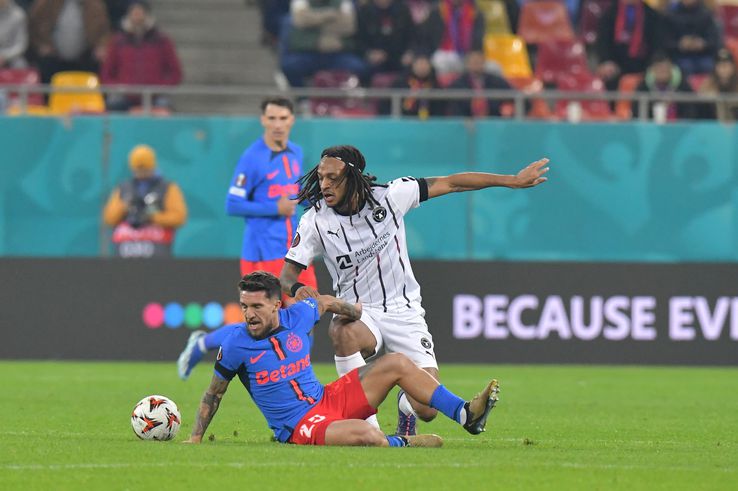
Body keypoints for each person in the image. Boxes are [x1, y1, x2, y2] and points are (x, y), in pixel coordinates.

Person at [280, 145, 548, 436]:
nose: (324, 185)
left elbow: (453, 182)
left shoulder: (393, 196)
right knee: (341, 330)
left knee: (427, 410)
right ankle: (364, 425)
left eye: (333, 178)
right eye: (321, 177)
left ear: (354, 177)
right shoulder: (315, 221)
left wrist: (512, 180)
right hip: (359, 312)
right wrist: (298, 288)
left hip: (404, 311)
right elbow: (287, 276)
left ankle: (406, 404)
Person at [183, 271, 500, 447]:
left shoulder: (299, 315)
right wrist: (196, 438)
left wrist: (356, 312)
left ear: (277, 305)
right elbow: (215, 393)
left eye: (257, 307)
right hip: (300, 424)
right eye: (244, 307)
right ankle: (403, 442)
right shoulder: (236, 343)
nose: (249, 315)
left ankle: (465, 415)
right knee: (366, 435)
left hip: (329, 398)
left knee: (398, 362)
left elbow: (324, 303)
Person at [176, 97, 319, 380]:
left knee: (308, 314)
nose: (278, 124)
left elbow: (295, 197)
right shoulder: (253, 158)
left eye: (283, 118)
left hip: (294, 251)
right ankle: (203, 343)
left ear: (292, 120)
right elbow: (233, 203)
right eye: (272, 119)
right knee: (261, 321)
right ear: (263, 121)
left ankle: (296, 378)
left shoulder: (295, 153)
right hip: (262, 251)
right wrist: (273, 208)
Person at [102, 144, 188, 258]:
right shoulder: (123, 188)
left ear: (153, 166)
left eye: (145, 169)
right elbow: (109, 218)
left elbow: (179, 217)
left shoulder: (168, 188)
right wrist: (125, 206)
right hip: (126, 253)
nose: (141, 173)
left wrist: (152, 217)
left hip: (157, 254)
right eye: (138, 169)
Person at [100, 0, 182, 112]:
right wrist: (119, 88)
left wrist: (161, 87)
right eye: (134, 13)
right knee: (112, 106)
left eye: (140, 13)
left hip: (155, 96)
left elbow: (175, 72)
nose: (137, 17)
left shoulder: (162, 41)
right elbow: (106, 73)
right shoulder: (118, 42)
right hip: (125, 96)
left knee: (164, 106)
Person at [279, 0, 368, 87]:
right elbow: (300, 20)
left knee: (358, 67)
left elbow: (348, 26)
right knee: (289, 66)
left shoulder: (344, 2)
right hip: (308, 53)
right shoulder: (301, 2)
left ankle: (342, 99)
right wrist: (331, 15)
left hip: (336, 54)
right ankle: (304, 99)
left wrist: (312, 23)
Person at [28, 0, 111, 84]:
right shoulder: (46, 3)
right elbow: (35, 26)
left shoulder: (95, 5)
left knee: (98, 67)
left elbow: (103, 31)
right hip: (53, 58)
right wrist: (42, 45)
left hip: (85, 58)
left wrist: (101, 46)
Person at [594, 0, 662, 93]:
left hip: (643, 64)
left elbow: (657, 43)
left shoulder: (651, 15)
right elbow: (603, 40)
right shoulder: (610, 12)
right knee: (609, 78)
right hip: (616, 63)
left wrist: (652, 65)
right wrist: (606, 60)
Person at [419, 0, 485, 75]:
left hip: (467, 55)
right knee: (438, 64)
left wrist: (474, 57)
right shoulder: (438, 10)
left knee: (494, 68)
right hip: (443, 53)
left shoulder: (474, 12)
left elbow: (478, 39)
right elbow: (426, 38)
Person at [659, 0, 720, 77]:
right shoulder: (670, 15)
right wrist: (679, 44)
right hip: (679, 56)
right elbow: (664, 41)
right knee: (685, 66)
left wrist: (703, 43)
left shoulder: (707, 14)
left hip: (703, 55)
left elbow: (714, 40)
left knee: (708, 65)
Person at [448, 50, 515, 118]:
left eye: (479, 62)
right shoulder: (458, 83)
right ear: (467, 64)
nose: (476, 65)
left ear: (484, 63)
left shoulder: (496, 81)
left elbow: (514, 95)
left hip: (493, 120)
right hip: (464, 122)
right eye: (473, 62)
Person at [356, 0, 415, 78]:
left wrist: (410, 52)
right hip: (375, 59)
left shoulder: (403, 10)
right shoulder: (364, 11)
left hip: (399, 57)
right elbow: (359, 40)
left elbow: (412, 36)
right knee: (363, 69)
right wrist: (369, 53)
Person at [633, 51, 698, 120]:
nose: (663, 71)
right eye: (659, 68)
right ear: (652, 70)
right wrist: (657, 103)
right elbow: (636, 111)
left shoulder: (683, 85)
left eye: (666, 68)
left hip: (679, 126)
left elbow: (692, 110)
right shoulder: (643, 86)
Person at [379, 52, 446, 118]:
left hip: (429, 123)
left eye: (425, 64)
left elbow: (440, 109)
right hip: (403, 121)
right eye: (419, 64)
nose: (422, 67)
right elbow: (386, 105)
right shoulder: (401, 82)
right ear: (413, 66)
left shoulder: (435, 84)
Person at [698, 48, 738, 122]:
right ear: (715, 68)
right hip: (713, 126)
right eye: (720, 65)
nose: (724, 69)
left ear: (733, 67)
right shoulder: (708, 84)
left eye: (727, 65)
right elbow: (700, 104)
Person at [0, 0, 28, 68]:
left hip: (12, 58)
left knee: (20, 65)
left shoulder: (18, 15)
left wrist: (4, 57)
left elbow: (21, 45)